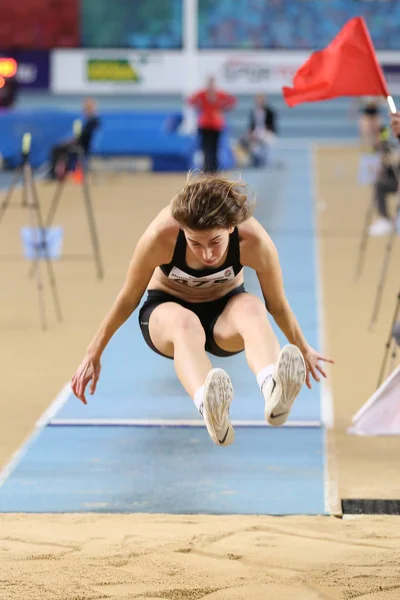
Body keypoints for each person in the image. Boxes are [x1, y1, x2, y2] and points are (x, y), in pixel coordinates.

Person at [71, 174, 333, 446]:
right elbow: (128, 298)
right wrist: (93, 353)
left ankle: (273, 387)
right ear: (182, 229)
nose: (206, 254)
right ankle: (209, 406)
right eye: (195, 243)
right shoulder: (161, 237)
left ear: (231, 228)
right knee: (185, 324)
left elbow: (276, 304)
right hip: (166, 311)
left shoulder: (254, 241)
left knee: (253, 308)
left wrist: (301, 347)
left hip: (224, 314)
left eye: (215, 243)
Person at [188, 76, 236, 173]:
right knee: (206, 148)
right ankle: (208, 168)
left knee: (214, 148)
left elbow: (232, 100)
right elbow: (191, 100)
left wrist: (224, 108)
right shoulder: (204, 94)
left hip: (215, 125)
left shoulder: (217, 94)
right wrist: (199, 106)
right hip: (206, 124)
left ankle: (213, 169)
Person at [47, 97, 100, 180]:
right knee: (58, 149)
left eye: (86, 108)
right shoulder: (89, 120)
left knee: (57, 149)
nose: (84, 110)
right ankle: (58, 172)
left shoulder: (93, 121)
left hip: (82, 146)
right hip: (79, 144)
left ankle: (55, 175)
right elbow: (80, 136)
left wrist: (70, 142)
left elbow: (82, 137)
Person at [369, 125, 399, 237]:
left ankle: (392, 220)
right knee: (379, 185)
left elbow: (393, 160)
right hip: (394, 180)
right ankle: (385, 219)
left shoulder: (394, 149)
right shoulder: (386, 147)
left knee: (380, 185)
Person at [248, 93, 278, 166]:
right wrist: (251, 133)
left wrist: (263, 133)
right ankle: (255, 160)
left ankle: (266, 161)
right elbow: (251, 125)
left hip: (267, 132)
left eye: (260, 100)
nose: (259, 101)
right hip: (256, 132)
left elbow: (272, 126)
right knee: (251, 144)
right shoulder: (253, 111)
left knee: (268, 141)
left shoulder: (270, 112)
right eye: (257, 100)